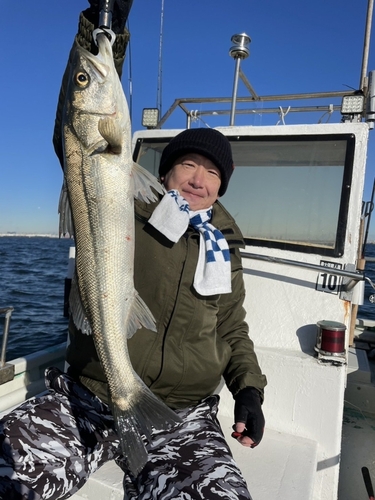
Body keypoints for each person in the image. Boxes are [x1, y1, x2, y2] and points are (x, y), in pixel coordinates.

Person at [0, 2, 267, 499]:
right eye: (188, 164)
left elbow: (232, 326)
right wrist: (104, 31)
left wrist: (249, 389)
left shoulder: (223, 245)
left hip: (184, 418)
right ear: (162, 173)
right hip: (90, 394)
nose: (199, 179)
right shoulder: (134, 202)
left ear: (222, 186)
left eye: (212, 172)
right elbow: (74, 134)